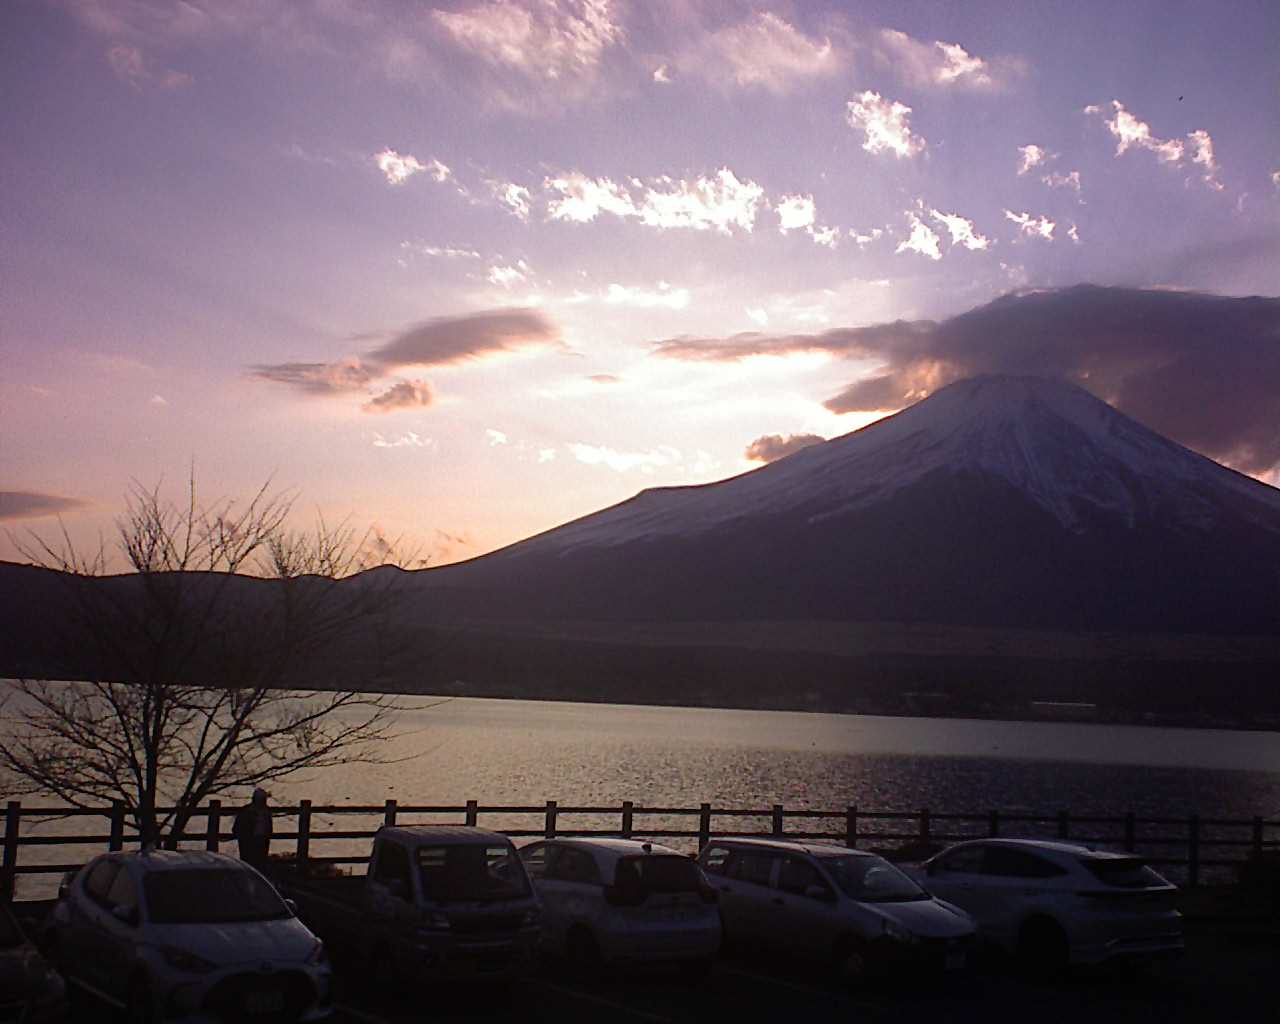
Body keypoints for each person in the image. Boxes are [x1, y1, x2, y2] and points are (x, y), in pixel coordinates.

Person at [232, 788, 273, 872]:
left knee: (259, 865)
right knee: (248, 864)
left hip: (261, 841)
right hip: (249, 842)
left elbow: (269, 828)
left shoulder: (266, 812)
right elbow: (237, 828)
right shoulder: (246, 811)